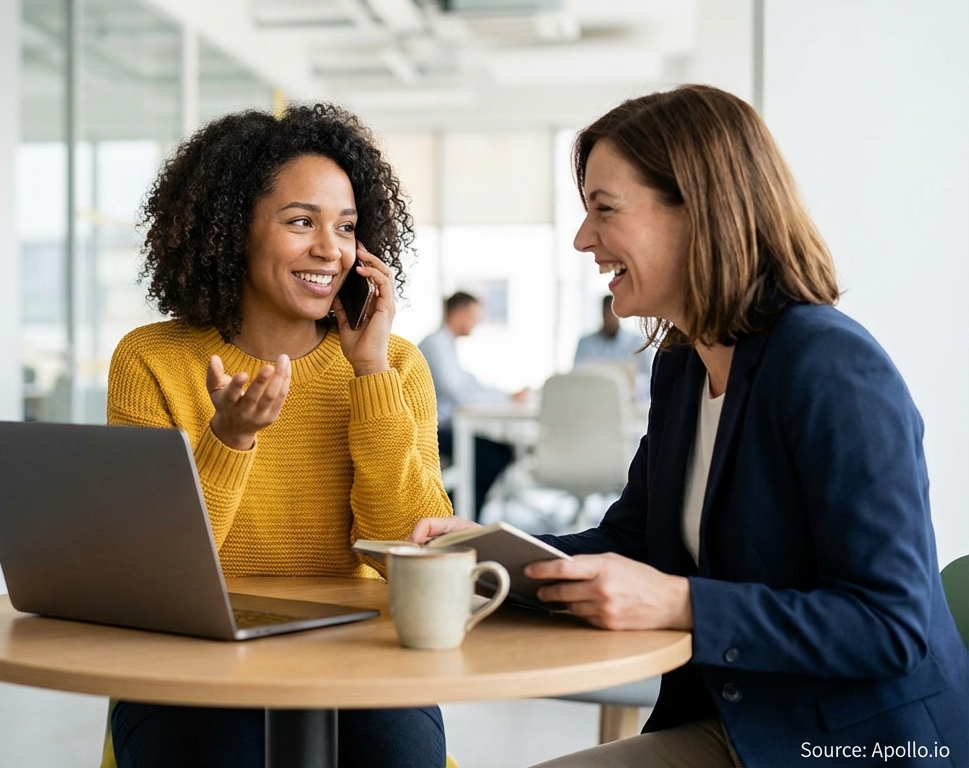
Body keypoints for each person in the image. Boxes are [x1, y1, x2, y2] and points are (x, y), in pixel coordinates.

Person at [409, 85, 968, 767]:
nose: (584, 239)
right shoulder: (681, 367)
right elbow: (633, 541)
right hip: (745, 723)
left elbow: (890, 625)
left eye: (603, 210)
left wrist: (683, 604)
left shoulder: (831, 367)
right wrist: (492, 549)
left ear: (699, 211)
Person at [104, 104, 451, 768]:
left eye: (346, 227)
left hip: (359, 648)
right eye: (302, 222)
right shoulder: (150, 359)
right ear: (234, 230)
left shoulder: (396, 363)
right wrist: (227, 441)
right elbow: (151, 573)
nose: (331, 249)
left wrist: (370, 373)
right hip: (190, 654)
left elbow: (411, 554)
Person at [418, 292, 516, 516]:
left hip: (447, 428)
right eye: (475, 316)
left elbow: (470, 385)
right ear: (460, 314)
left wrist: (507, 396)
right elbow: (457, 391)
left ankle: (464, 514)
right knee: (495, 456)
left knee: (497, 453)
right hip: (436, 431)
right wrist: (505, 398)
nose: (477, 323)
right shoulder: (436, 344)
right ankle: (460, 515)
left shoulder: (446, 344)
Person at [574, 293, 653, 397]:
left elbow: (647, 379)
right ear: (601, 313)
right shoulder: (586, 342)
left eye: (612, 313)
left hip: (628, 401)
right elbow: (577, 375)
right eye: (606, 312)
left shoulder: (637, 343)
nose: (609, 316)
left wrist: (635, 386)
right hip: (592, 398)